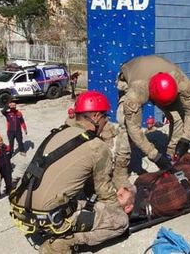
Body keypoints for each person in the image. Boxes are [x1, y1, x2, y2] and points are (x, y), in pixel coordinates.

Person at [9, 91, 128, 253]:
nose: (106, 122)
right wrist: (118, 209)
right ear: (96, 117)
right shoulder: (97, 147)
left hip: (21, 208)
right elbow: (104, 192)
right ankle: (64, 242)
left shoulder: (58, 132)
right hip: (48, 216)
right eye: (105, 117)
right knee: (120, 221)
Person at [115, 55, 190, 174]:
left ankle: (172, 154)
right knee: (125, 124)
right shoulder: (137, 92)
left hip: (160, 80)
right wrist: (154, 155)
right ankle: (121, 170)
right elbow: (133, 127)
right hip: (130, 78)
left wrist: (185, 139)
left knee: (177, 117)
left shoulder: (182, 82)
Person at [116, 153, 190, 219]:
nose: (121, 189)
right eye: (120, 196)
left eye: (117, 192)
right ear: (128, 208)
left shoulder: (141, 182)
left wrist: (189, 158)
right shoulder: (159, 202)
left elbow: (172, 168)